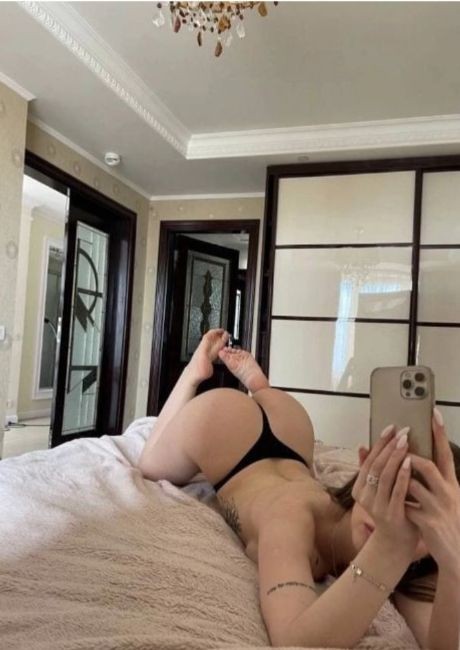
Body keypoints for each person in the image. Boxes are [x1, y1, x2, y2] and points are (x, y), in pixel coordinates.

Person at [138, 328, 460, 649]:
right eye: (393, 485)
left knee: (267, 402)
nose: (394, 517)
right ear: (367, 470)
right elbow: (294, 640)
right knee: (150, 465)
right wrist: (390, 546)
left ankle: (261, 388)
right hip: (222, 423)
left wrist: (453, 565)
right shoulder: (290, 519)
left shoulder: (417, 560)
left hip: (291, 426)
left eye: (420, 516)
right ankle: (195, 372)